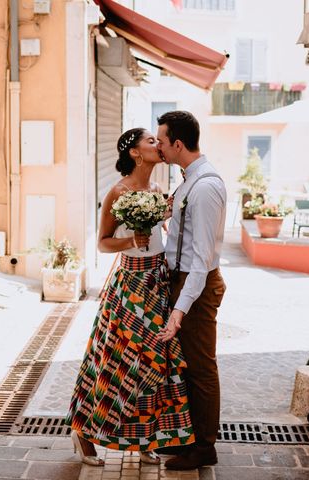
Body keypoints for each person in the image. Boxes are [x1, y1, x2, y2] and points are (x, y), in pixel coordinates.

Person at [66, 128, 195, 466]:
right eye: (151, 141)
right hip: (130, 288)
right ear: (136, 153)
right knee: (116, 361)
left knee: (155, 362)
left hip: (157, 283)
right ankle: (83, 433)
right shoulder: (117, 191)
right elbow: (102, 242)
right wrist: (130, 241)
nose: (159, 144)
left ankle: (144, 438)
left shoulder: (157, 190)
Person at [155, 111, 227, 470]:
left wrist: (179, 312)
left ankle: (205, 446)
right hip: (183, 279)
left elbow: (201, 261)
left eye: (163, 142)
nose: (159, 148)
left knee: (201, 368)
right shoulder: (188, 181)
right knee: (185, 367)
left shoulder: (206, 187)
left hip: (197, 284)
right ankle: (187, 439)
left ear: (178, 144)